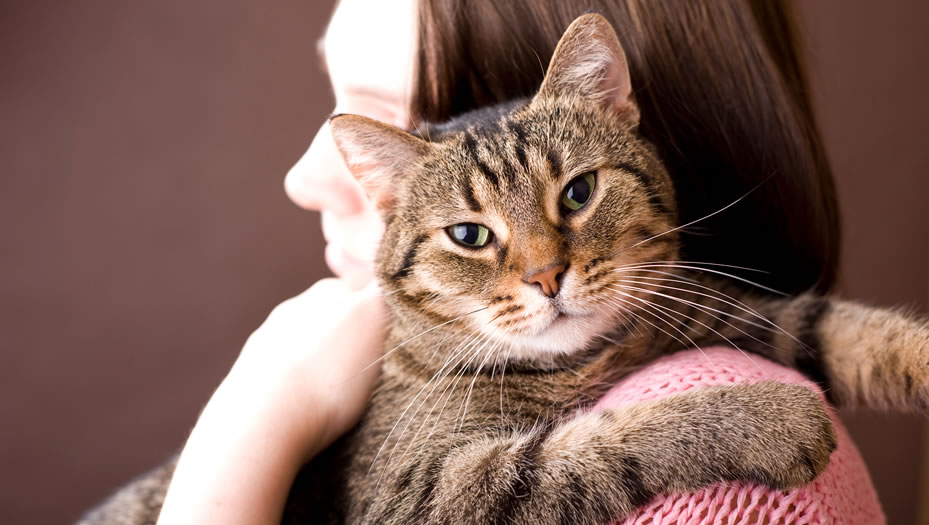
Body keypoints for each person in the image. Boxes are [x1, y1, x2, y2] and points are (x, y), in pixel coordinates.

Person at [152, 0, 868, 523]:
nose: (300, 177)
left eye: (391, 117)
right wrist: (263, 408)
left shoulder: (718, 497)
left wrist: (243, 438)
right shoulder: (382, 371)